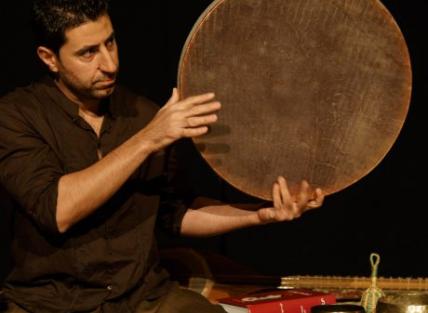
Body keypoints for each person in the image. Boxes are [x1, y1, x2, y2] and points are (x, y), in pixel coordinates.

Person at [0, 0, 325, 312]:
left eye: (110, 43)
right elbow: (58, 210)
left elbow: (176, 214)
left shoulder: (142, 114)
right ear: (49, 58)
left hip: (143, 299)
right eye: (88, 53)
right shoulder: (16, 116)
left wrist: (260, 214)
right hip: (51, 303)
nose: (110, 64)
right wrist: (148, 139)